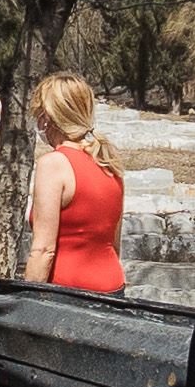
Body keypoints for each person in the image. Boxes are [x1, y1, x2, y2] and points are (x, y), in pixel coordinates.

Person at [22, 72, 124, 293]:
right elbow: (114, 243)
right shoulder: (108, 162)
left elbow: (43, 250)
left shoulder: (54, 164)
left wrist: (25, 302)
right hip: (112, 285)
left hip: (69, 291)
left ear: (47, 117)